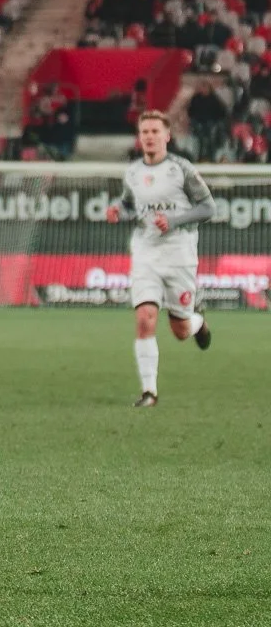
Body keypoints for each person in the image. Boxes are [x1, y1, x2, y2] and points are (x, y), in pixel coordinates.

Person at [106, 109, 215, 407]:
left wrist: (176, 220)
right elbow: (128, 203)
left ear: (167, 136)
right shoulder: (132, 173)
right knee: (144, 318)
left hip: (179, 254)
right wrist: (117, 208)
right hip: (145, 253)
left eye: (155, 132)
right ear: (139, 137)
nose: (150, 137)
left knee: (179, 331)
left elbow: (208, 208)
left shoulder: (182, 169)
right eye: (145, 132)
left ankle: (197, 322)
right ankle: (149, 392)